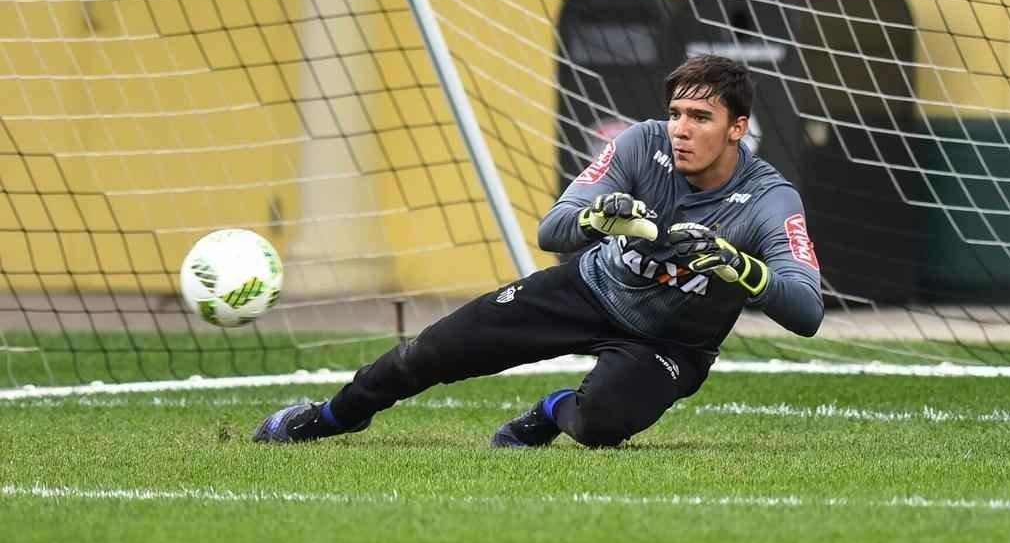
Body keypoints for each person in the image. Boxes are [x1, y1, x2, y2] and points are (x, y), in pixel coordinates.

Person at [253, 55, 824, 448]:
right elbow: (552, 230)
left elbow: (806, 310)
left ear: (736, 128)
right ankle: (327, 420)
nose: (680, 128)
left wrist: (740, 267)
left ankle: (551, 410)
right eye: (676, 113)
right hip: (588, 290)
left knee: (600, 425)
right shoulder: (639, 143)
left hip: (671, 342)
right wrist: (599, 217)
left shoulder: (769, 199)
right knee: (431, 351)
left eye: (700, 117)